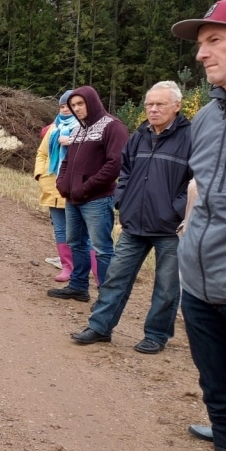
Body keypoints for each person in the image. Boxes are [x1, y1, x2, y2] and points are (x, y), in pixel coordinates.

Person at [161, 0, 226, 451]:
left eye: (214, 39)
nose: (201, 50)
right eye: (200, 42)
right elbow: (202, 189)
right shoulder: (210, 114)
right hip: (202, 291)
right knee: (221, 409)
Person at [70, 81, 191, 353]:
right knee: (115, 277)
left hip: (171, 228)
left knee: (166, 286)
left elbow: (199, 180)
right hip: (134, 222)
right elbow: (124, 172)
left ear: (177, 106)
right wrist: (122, 199)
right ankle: (100, 327)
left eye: (160, 104)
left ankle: (156, 335)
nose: (153, 109)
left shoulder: (191, 137)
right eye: (149, 104)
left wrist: (176, 209)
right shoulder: (140, 136)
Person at [47, 86, 128, 302]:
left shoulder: (113, 127)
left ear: (92, 101)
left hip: (97, 200)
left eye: (80, 103)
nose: (76, 108)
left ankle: (106, 299)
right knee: (76, 243)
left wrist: (86, 187)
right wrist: (62, 184)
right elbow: (66, 161)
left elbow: (115, 165)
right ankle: (79, 286)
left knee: (101, 248)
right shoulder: (78, 130)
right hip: (73, 198)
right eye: (73, 105)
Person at [35, 91, 76, 281]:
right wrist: (41, 175)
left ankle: (86, 266)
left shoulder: (85, 128)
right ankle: (66, 266)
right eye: (62, 106)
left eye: (70, 105)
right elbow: (42, 154)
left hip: (75, 187)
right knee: (60, 228)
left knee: (79, 230)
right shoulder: (53, 129)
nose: (66, 109)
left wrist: (72, 142)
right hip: (52, 185)